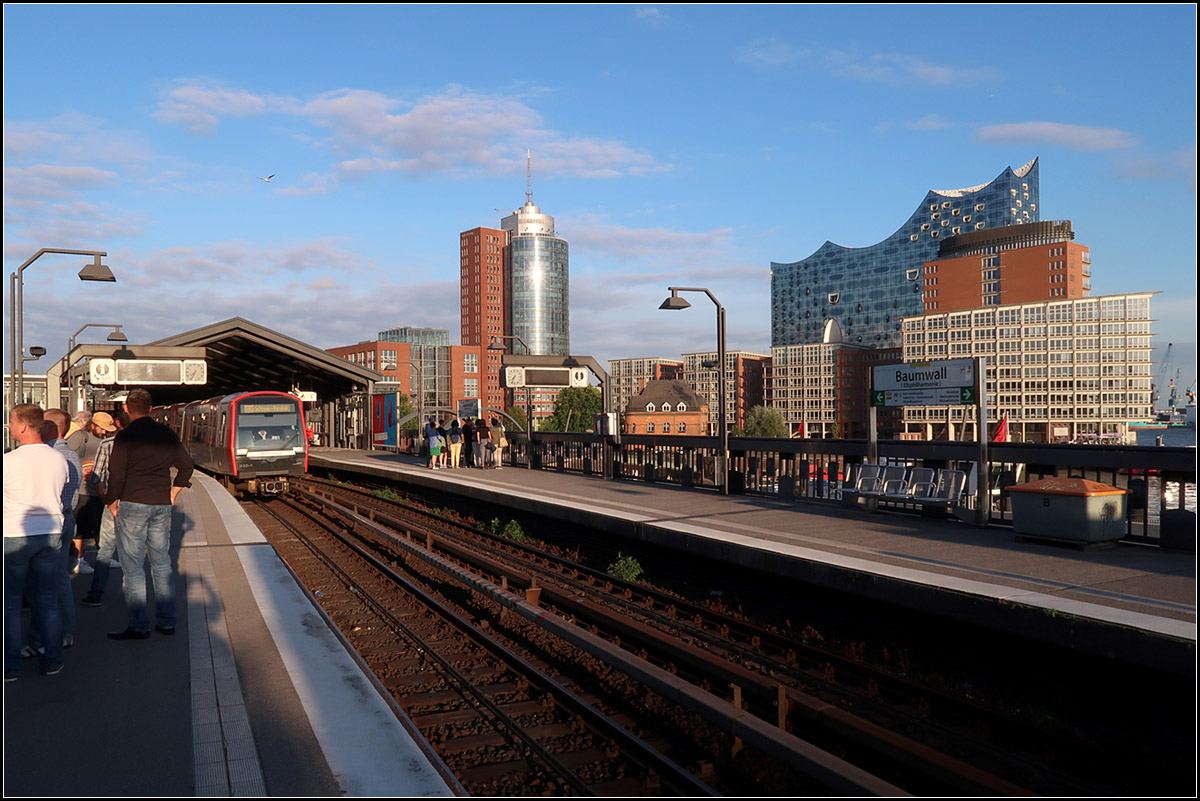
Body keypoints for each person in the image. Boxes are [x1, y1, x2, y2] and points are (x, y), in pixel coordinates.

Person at [105, 388, 194, 640]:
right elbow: (186, 466)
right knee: (162, 564)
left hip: (133, 504)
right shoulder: (166, 433)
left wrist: (112, 501)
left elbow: (117, 473)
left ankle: (139, 625)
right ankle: (166, 622)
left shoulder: (126, 436)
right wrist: (173, 493)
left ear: (126, 408)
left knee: (133, 568)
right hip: (161, 506)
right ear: (151, 407)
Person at [4, 404, 69, 680]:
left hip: (16, 535)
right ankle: (53, 659)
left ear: (21, 426)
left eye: (10, 421)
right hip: (51, 532)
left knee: (11, 603)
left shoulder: (9, 461)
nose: (8, 426)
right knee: (47, 600)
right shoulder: (58, 459)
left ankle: (10, 665)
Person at [80, 411, 126, 608]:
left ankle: (96, 594)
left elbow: (96, 477)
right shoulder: (152, 443)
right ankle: (133, 595)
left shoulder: (107, 444)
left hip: (114, 501)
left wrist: (107, 501)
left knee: (105, 549)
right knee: (134, 550)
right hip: (142, 502)